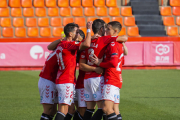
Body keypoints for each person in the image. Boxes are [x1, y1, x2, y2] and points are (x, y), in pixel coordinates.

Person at [79, 19, 128, 120]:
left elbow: (81, 65)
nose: (106, 31)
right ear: (102, 29)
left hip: (87, 79)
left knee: (90, 109)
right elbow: (124, 38)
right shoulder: (105, 40)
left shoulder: (86, 43)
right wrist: (97, 66)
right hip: (99, 78)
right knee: (105, 108)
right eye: (105, 28)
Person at [54, 22, 92, 120]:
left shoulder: (61, 44)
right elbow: (87, 44)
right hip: (66, 81)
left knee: (70, 110)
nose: (78, 34)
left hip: (62, 80)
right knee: (63, 110)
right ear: (70, 34)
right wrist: (89, 29)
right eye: (76, 32)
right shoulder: (68, 44)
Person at [38, 50, 59, 120]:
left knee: (53, 111)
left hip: (51, 80)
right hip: (48, 81)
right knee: (48, 110)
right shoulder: (62, 49)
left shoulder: (58, 49)